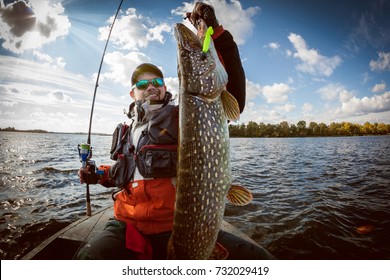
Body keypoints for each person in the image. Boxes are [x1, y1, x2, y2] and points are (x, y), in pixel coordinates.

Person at [77, 2, 271, 260]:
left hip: (177, 227)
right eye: (142, 83)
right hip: (127, 226)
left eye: (156, 81)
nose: (151, 87)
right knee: (86, 261)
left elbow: (233, 92)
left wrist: (217, 35)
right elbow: (124, 172)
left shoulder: (185, 115)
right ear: (132, 93)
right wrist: (96, 174)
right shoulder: (124, 131)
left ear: (165, 85)